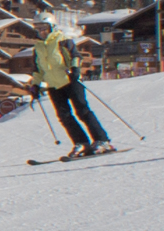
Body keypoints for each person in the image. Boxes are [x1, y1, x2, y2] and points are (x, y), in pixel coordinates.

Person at [35, 24, 111, 155]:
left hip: (70, 80)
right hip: (53, 85)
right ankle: (81, 143)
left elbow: (75, 55)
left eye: (44, 28)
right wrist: (35, 85)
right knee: (64, 116)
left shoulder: (63, 40)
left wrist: (75, 69)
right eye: (38, 28)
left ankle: (102, 141)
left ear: (51, 28)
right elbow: (38, 69)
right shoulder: (38, 47)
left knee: (82, 111)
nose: (41, 31)